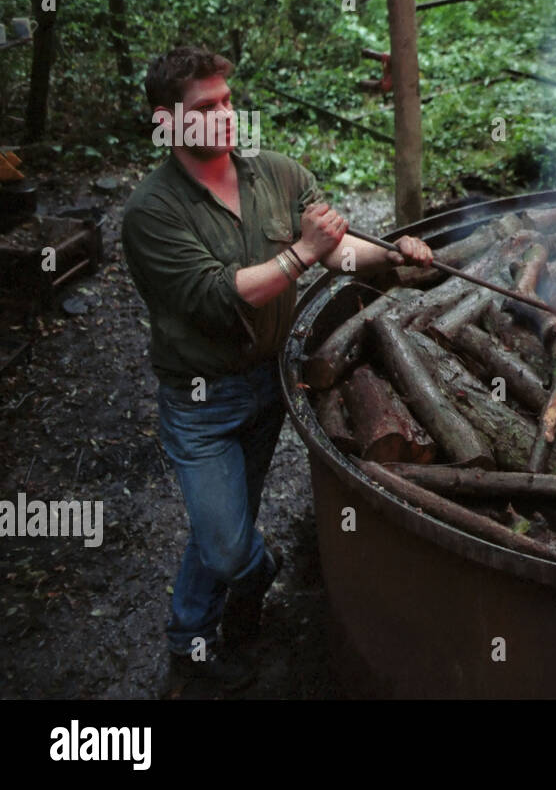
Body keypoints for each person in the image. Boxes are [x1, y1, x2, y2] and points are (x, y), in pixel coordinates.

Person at [121, 45, 433, 694]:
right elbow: (219, 295)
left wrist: (391, 254)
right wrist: (304, 251)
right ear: (166, 121)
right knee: (228, 539)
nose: (225, 115)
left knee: (231, 515)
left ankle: (195, 632)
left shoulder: (278, 174)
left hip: (269, 384)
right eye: (206, 107)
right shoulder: (151, 213)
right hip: (201, 401)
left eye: (227, 100)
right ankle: (250, 580)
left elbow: (336, 250)